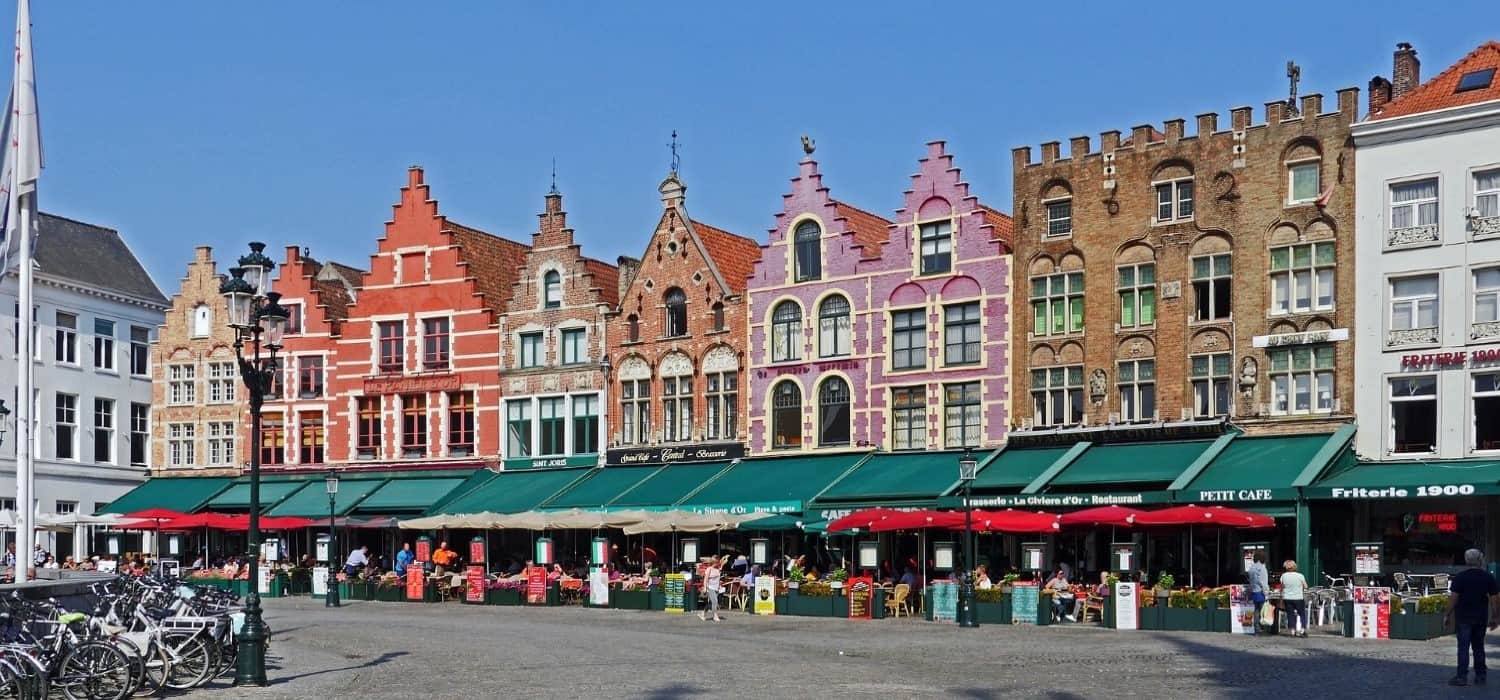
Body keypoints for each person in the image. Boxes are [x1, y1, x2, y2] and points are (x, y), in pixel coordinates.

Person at [1445, 548, 1500, 687]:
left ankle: (1461, 677)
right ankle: (1480, 676)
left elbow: (1453, 598)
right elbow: (1495, 599)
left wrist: (1447, 614)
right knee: (1478, 647)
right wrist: (1495, 617)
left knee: (1463, 648)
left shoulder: (1460, 577)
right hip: (1480, 617)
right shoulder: (1488, 577)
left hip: (1463, 617)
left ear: (1466, 560)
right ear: (1480, 560)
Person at [1279, 560, 1308, 638]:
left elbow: (1282, 587)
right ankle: (1302, 630)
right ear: (1294, 566)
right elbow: (1306, 586)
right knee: (1302, 614)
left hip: (1288, 598)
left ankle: (1292, 631)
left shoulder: (1283, 576)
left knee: (1290, 615)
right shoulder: (1300, 576)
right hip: (1298, 597)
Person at [1245, 554, 1270, 636]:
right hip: (1261, 591)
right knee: (1263, 610)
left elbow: (1251, 581)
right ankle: (1263, 628)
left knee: (1256, 610)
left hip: (1254, 591)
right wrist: (1266, 592)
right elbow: (1263, 582)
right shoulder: (1262, 568)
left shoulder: (1251, 568)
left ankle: (1256, 629)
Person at [698, 556, 724, 622]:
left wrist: (719, 586)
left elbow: (718, 579)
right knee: (715, 601)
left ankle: (702, 614)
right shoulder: (709, 569)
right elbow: (706, 579)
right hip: (710, 587)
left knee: (711, 603)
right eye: (717, 562)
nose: (719, 564)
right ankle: (715, 616)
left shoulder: (718, 569)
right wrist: (705, 588)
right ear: (714, 563)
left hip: (716, 588)